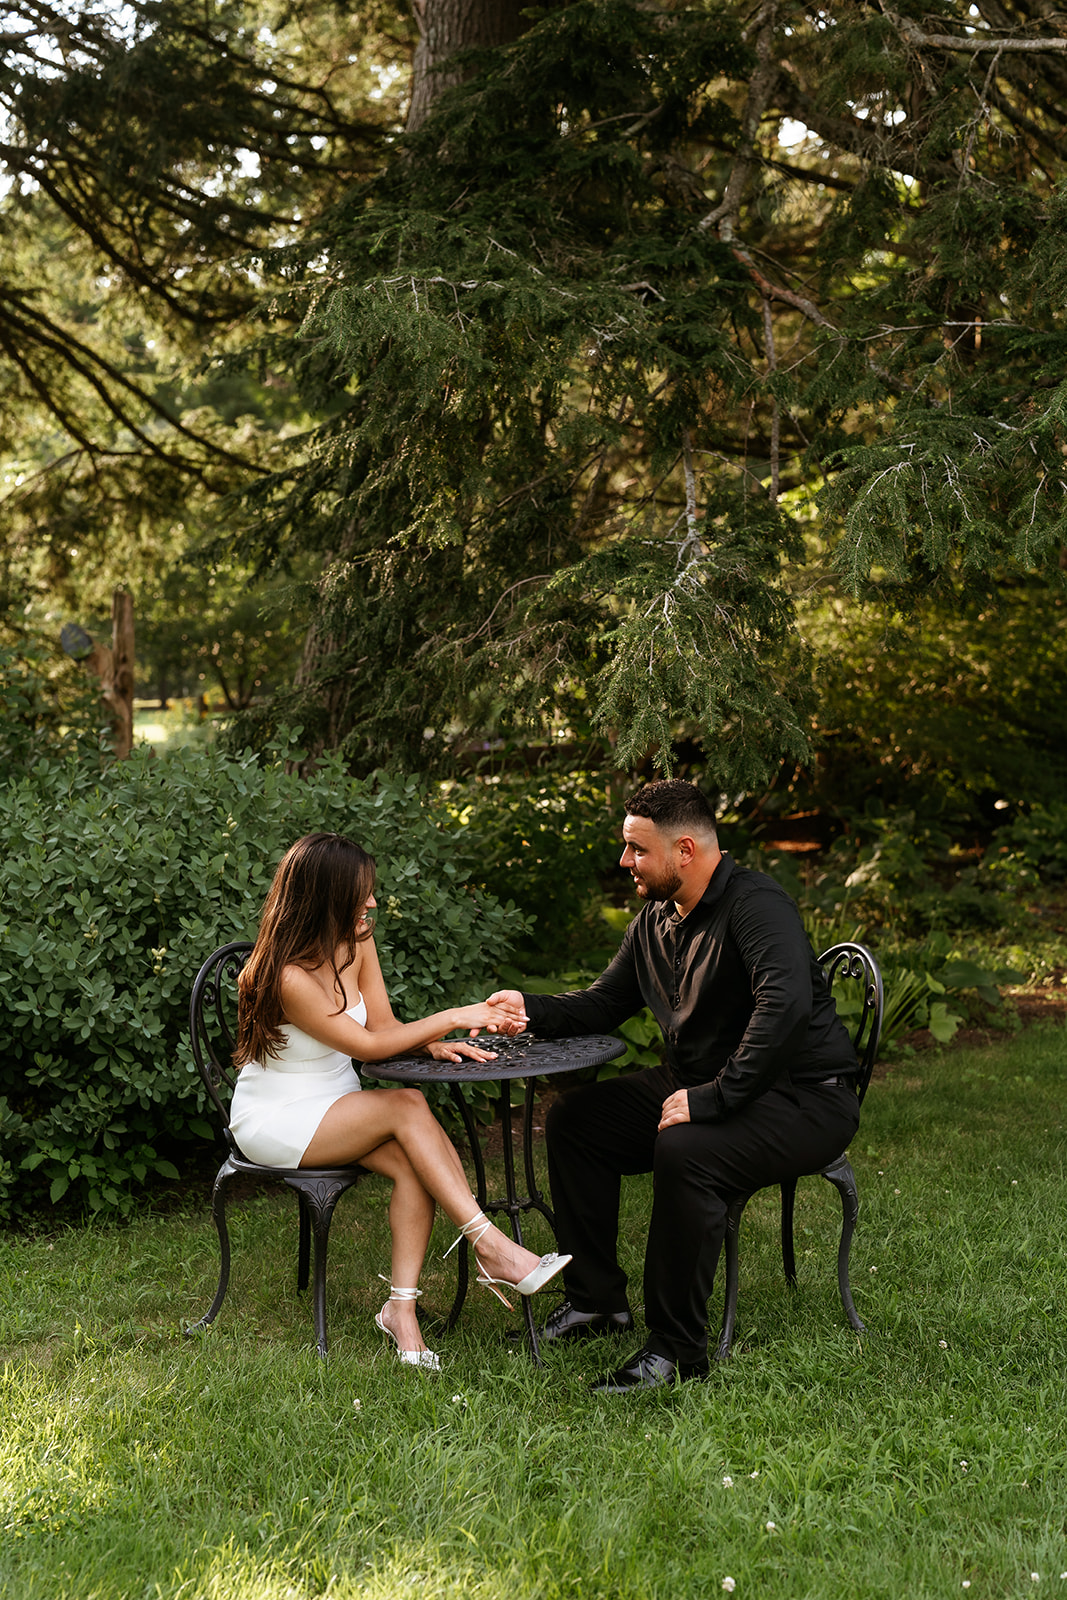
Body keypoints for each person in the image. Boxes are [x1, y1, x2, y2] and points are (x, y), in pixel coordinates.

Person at [487, 779, 861, 1394]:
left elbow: (786, 1007)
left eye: (637, 850)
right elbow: (604, 1001)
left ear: (684, 850)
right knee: (577, 1123)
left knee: (687, 1151)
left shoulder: (757, 906)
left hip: (804, 1097)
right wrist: (531, 1008)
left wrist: (713, 1100)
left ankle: (676, 1349)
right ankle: (597, 1302)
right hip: (702, 1081)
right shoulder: (658, 919)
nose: (624, 862)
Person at [230, 832, 569, 1371]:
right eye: (360, 893)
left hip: (339, 1104)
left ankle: (400, 1311)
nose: (371, 904)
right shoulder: (288, 976)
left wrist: (429, 1041)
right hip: (278, 1117)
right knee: (408, 1105)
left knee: (418, 1168)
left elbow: (383, 1027)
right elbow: (364, 1045)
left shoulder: (357, 941)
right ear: (325, 896)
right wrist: (455, 1016)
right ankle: (491, 1247)